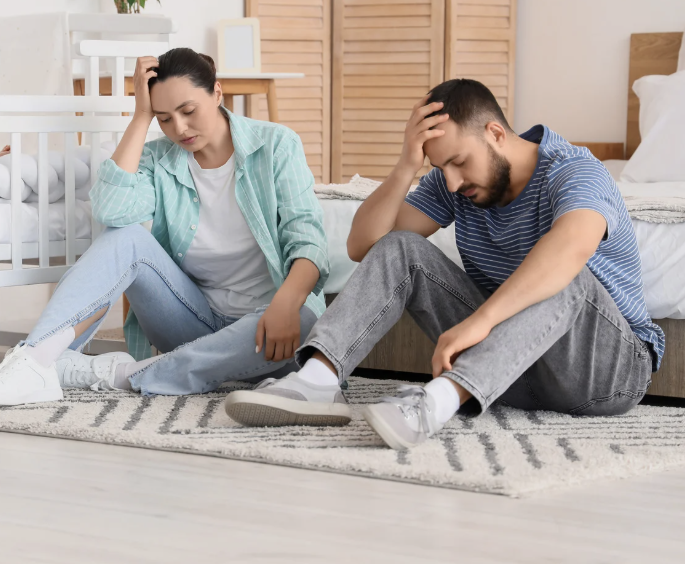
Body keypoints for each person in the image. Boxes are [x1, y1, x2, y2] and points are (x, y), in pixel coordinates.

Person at [225, 78, 664, 449]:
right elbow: (366, 244)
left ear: (495, 133)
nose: (452, 181)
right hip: (511, 370)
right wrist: (406, 166)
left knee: (568, 277)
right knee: (401, 246)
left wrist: (481, 321)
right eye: (441, 166)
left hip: (606, 374)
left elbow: (569, 249)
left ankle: (434, 404)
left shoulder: (574, 171)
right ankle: (317, 382)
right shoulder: (450, 183)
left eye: (458, 161)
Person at [0, 48, 329, 407]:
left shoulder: (276, 145)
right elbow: (111, 210)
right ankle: (34, 361)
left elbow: (309, 241)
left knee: (303, 314)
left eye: (188, 111)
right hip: (191, 323)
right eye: (164, 118)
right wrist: (140, 116)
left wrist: (285, 304)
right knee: (126, 237)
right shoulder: (159, 159)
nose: (179, 128)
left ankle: (117, 374)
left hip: (269, 328)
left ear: (217, 93)